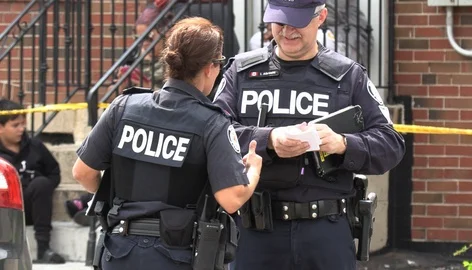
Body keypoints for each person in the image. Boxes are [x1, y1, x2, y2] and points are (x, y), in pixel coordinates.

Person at [213, 0, 405, 269]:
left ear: (321, 17)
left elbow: (391, 145)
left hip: (325, 231)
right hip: (256, 230)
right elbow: (214, 135)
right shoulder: (241, 73)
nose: (288, 30)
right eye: (280, 21)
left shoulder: (348, 76)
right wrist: (270, 140)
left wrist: (343, 144)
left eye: (298, 21)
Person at [72, 17, 262, 270]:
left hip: (119, 251)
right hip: (177, 253)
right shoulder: (212, 122)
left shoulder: (124, 107)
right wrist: (253, 170)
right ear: (209, 67)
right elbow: (231, 198)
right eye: (219, 64)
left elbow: (82, 172)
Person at [0, 99, 66, 264]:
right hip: (5, 211)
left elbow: (54, 172)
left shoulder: (35, 146)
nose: (22, 129)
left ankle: (43, 249)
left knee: (42, 183)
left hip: (30, 207)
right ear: (0, 127)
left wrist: (41, 190)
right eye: (15, 125)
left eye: (23, 124)